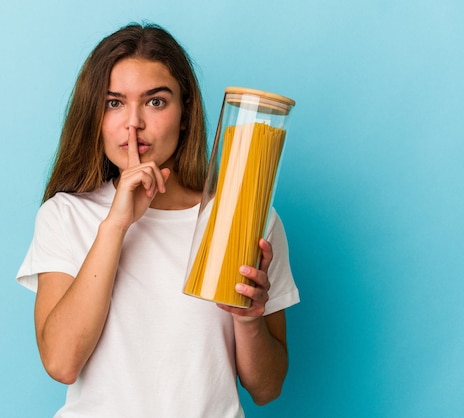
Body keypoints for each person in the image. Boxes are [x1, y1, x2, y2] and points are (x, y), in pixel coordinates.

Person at [16, 22, 300, 418]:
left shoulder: (245, 219)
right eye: (114, 102)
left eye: (155, 102)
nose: (133, 123)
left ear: (185, 114)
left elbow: (266, 388)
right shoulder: (66, 215)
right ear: (94, 116)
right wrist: (116, 224)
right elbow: (62, 363)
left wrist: (249, 320)